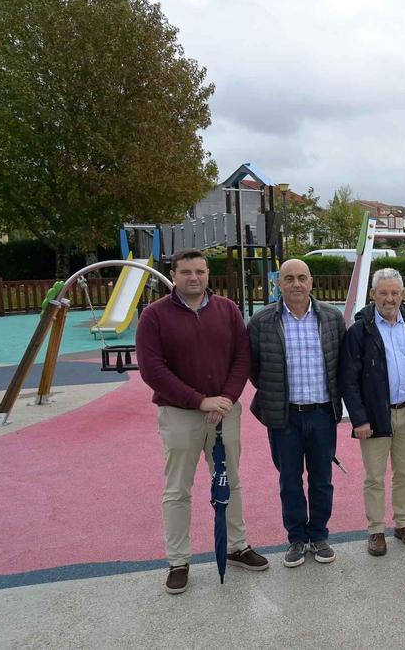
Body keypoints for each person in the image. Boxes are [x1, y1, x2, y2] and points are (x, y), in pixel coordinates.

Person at [136, 248, 269, 595]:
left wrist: (225, 399)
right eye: (186, 272)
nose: (193, 277)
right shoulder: (154, 316)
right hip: (180, 414)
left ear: (208, 273)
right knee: (178, 489)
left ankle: (237, 546)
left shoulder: (227, 310)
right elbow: (153, 370)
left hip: (225, 412)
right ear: (173, 275)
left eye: (200, 271)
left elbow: (242, 357)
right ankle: (178, 561)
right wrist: (198, 400)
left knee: (231, 481)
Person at [247, 259, 346, 567]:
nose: (296, 284)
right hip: (284, 416)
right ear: (279, 283)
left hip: (322, 414)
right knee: (289, 480)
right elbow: (254, 367)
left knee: (322, 479)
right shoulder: (262, 321)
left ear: (311, 282)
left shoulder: (331, 317)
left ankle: (318, 535)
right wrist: (275, 394)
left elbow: (341, 361)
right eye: (289, 278)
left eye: (302, 277)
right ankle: (297, 538)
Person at [339, 268, 405, 557]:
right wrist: (359, 418)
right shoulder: (360, 331)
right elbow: (348, 379)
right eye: (383, 293)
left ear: (402, 295)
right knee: (375, 477)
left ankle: (403, 523)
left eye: (394, 293)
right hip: (375, 416)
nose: (389, 298)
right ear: (373, 295)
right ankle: (376, 530)